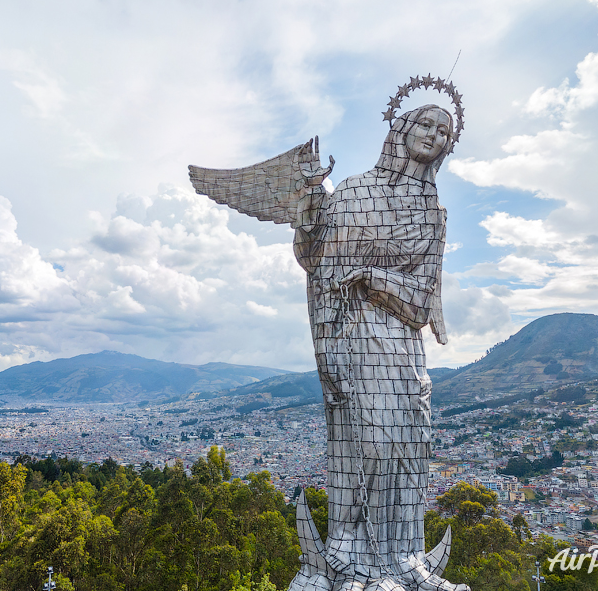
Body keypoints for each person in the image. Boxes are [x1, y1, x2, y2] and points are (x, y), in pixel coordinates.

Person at [189, 103, 466, 591]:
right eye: (425, 123)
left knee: (411, 446)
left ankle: (403, 559)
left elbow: (423, 302)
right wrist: (310, 210)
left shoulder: (433, 214)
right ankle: (356, 557)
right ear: (402, 129)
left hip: (404, 348)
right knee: (370, 443)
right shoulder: (355, 191)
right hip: (352, 337)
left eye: (444, 131)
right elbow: (318, 259)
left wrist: (372, 278)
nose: (433, 135)